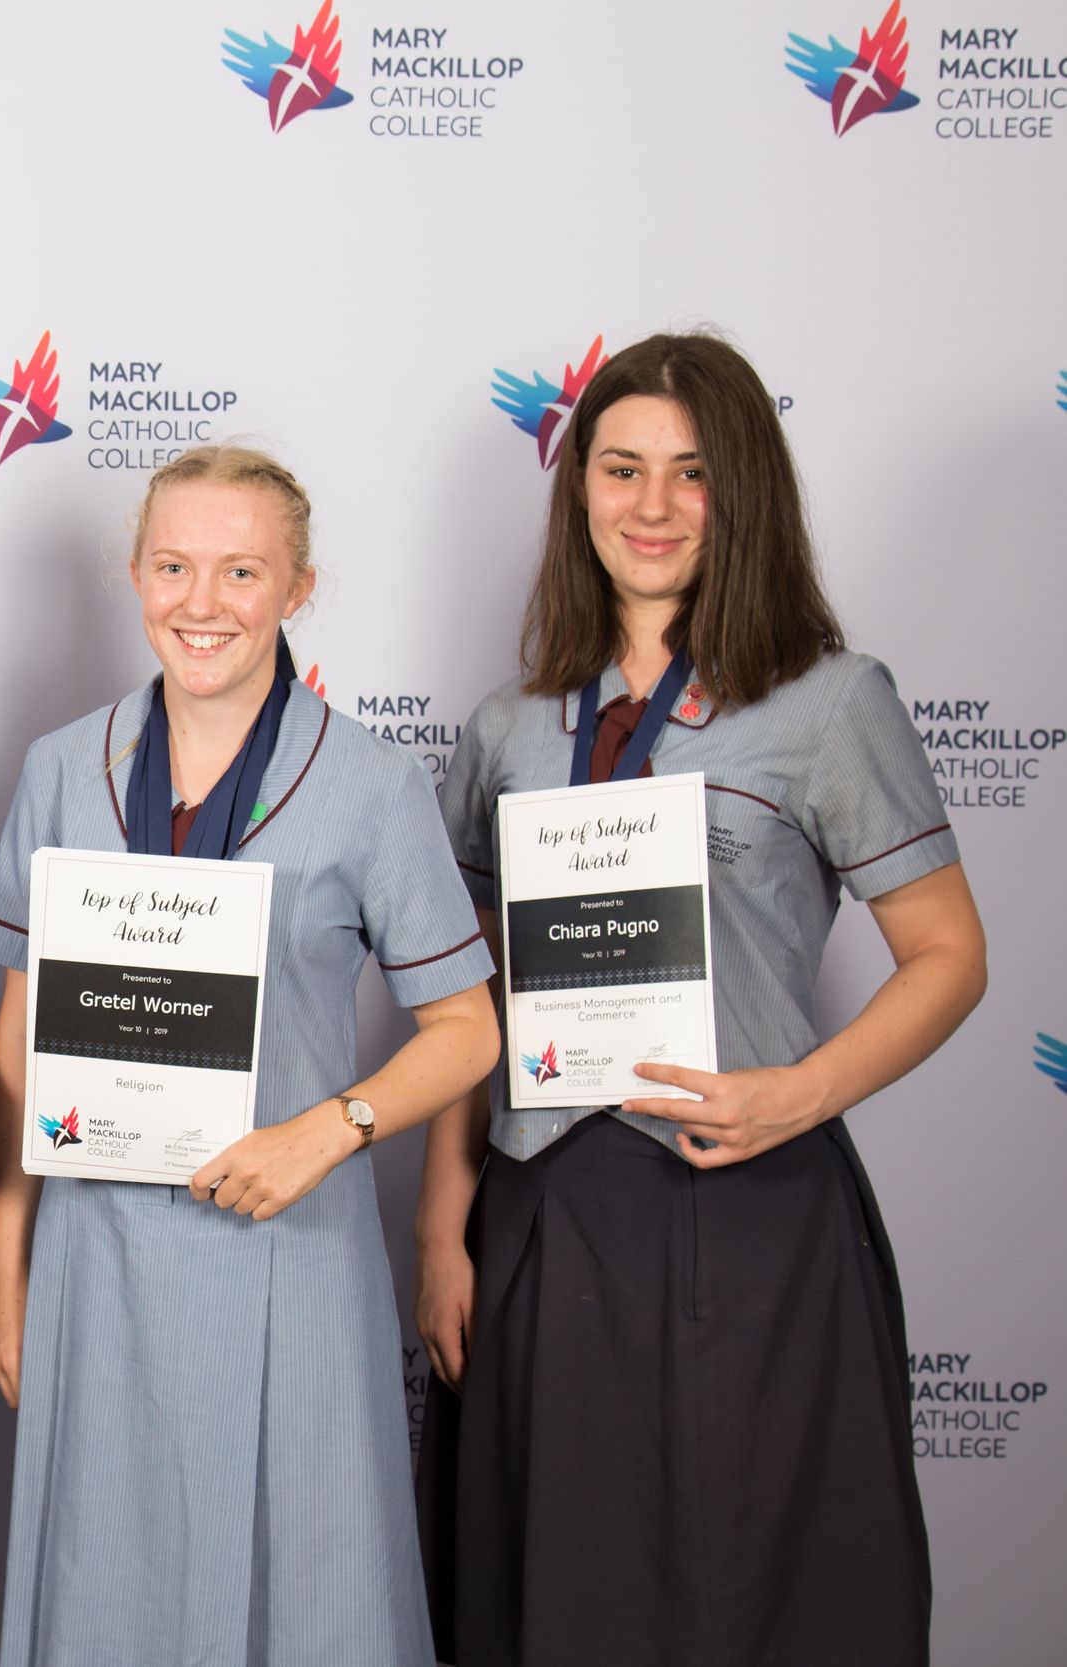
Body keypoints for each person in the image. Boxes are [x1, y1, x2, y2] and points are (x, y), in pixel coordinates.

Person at [414, 333, 986, 1667]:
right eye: (621, 468)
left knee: (764, 1601)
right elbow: (463, 1002)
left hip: (753, 1199)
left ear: (744, 491)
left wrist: (802, 1092)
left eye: (692, 472)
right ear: (579, 489)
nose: (654, 504)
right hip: (548, 1208)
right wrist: (442, 1227)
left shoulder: (832, 701)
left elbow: (950, 953)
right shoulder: (509, 726)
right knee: (559, 1600)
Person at [0, 445, 499, 1664]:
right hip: (97, 1256)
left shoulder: (370, 782)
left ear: (297, 587)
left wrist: (330, 1129)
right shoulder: (62, 767)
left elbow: (468, 1029)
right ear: (134, 573)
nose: (200, 601)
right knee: (104, 1588)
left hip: (291, 1251)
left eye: (241, 571)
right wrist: (5, 1269)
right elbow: (16, 1038)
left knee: (309, 1592)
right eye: (172, 565)